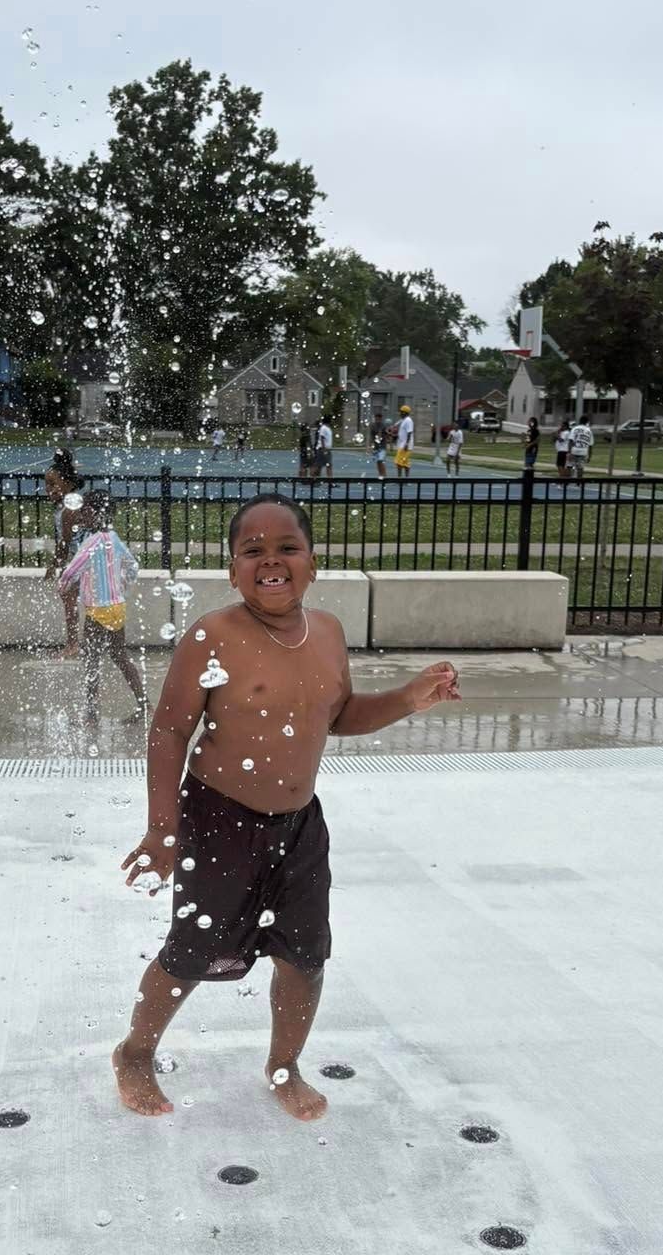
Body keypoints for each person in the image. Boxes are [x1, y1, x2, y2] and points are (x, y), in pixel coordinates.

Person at [113, 494, 457, 1119]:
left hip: (299, 826)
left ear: (313, 563)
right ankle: (135, 1051)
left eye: (286, 548)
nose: (270, 561)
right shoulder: (214, 635)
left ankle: (284, 1065)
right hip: (219, 820)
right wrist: (163, 830)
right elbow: (168, 732)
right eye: (253, 551)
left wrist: (408, 698)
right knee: (192, 951)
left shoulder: (326, 632)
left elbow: (340, 715)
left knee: (305, 953)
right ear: (232, 569)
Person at [59, 488, 147, 731]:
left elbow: (69, 572)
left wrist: (63, 587)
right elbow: (132, 565)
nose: (81, 514)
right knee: (120, 657)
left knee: (91, 662)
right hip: (117, 607)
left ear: (95, 513)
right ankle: (144, 704)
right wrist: (121, 587)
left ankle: (91, 716)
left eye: (85, 509)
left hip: (97, 612)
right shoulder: (114, 539)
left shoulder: (91, 543)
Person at [44, 447, 86, 655]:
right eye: (46, 484)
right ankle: (76, 643)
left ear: (68, 484)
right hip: (81, 560)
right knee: (72, 601)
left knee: (70, 601)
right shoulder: (67, 506)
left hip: (82, 561)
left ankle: (73, 645)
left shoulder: (69, 510)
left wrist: (55, 566)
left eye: (53, 484)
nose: (48, 489)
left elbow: (65, 543)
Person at [567, 415, 594, 483]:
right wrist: (589, 456)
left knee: (569, 465)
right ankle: (579, 482)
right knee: (580, 467)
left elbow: (571, 441)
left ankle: (567, 481)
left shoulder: (575, 429)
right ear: (587, 422)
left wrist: (569, 452)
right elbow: (590, 445)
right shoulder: (589, 431)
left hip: (574, 449)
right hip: (583, 451)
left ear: (580, 421)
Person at [393, 403, 415, 478]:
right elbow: (403, 433)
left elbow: (409, 432)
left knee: (398, 462)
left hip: (405, 446)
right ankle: (407, 479)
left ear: (404, 413)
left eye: (401, 411)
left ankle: (399, 479)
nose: (400, 413)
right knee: (405, 463)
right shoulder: (404, 420)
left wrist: (406, 444)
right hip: (402, 444)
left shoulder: (408, 420)